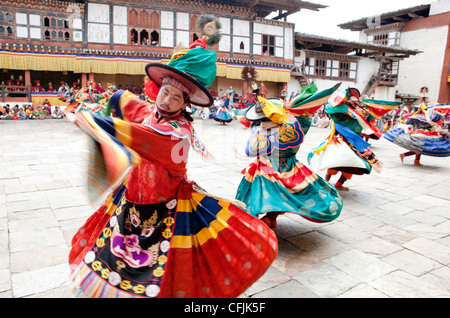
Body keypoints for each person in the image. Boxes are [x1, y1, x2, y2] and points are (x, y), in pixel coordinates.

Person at [68, 26, 277, 298]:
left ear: (185, 104)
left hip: (165, 208)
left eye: (176, 97)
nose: (167, 100)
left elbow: (147, 136)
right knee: (116, 262)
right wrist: (110, 103)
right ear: (158, 90)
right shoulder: (150, 112)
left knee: (165, 268)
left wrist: (92, 121)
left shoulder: (176, 132)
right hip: (131, 201)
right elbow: (125, 100)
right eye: (165, 92)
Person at [236, 84, 343, 230]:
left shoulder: (258, 130)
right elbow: (305, 122)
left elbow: (252, 143)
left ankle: (269, 219)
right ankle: (271, 218)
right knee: (286, 194)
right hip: (287, 166)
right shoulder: (292, 127)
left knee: (267, 194)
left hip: (264, 168)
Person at [308, 88, 383, 191]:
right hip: (341, 140)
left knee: (353, 163)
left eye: (356, 102)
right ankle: (327, 180)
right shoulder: (340, 110)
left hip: (354, 142)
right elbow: (331, 109)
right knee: (336, 160)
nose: (355, 104)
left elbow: (366, 119)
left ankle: (339, 183)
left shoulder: (358, 111)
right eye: (353, 102)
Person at [385, 102, 450, 166]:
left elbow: (409, 122)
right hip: (422, 134)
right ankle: (410, 158)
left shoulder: (418, 116)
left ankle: (412, 159)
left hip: (419, 133)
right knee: (419, 148)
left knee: (419, 148)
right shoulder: (426, 117)